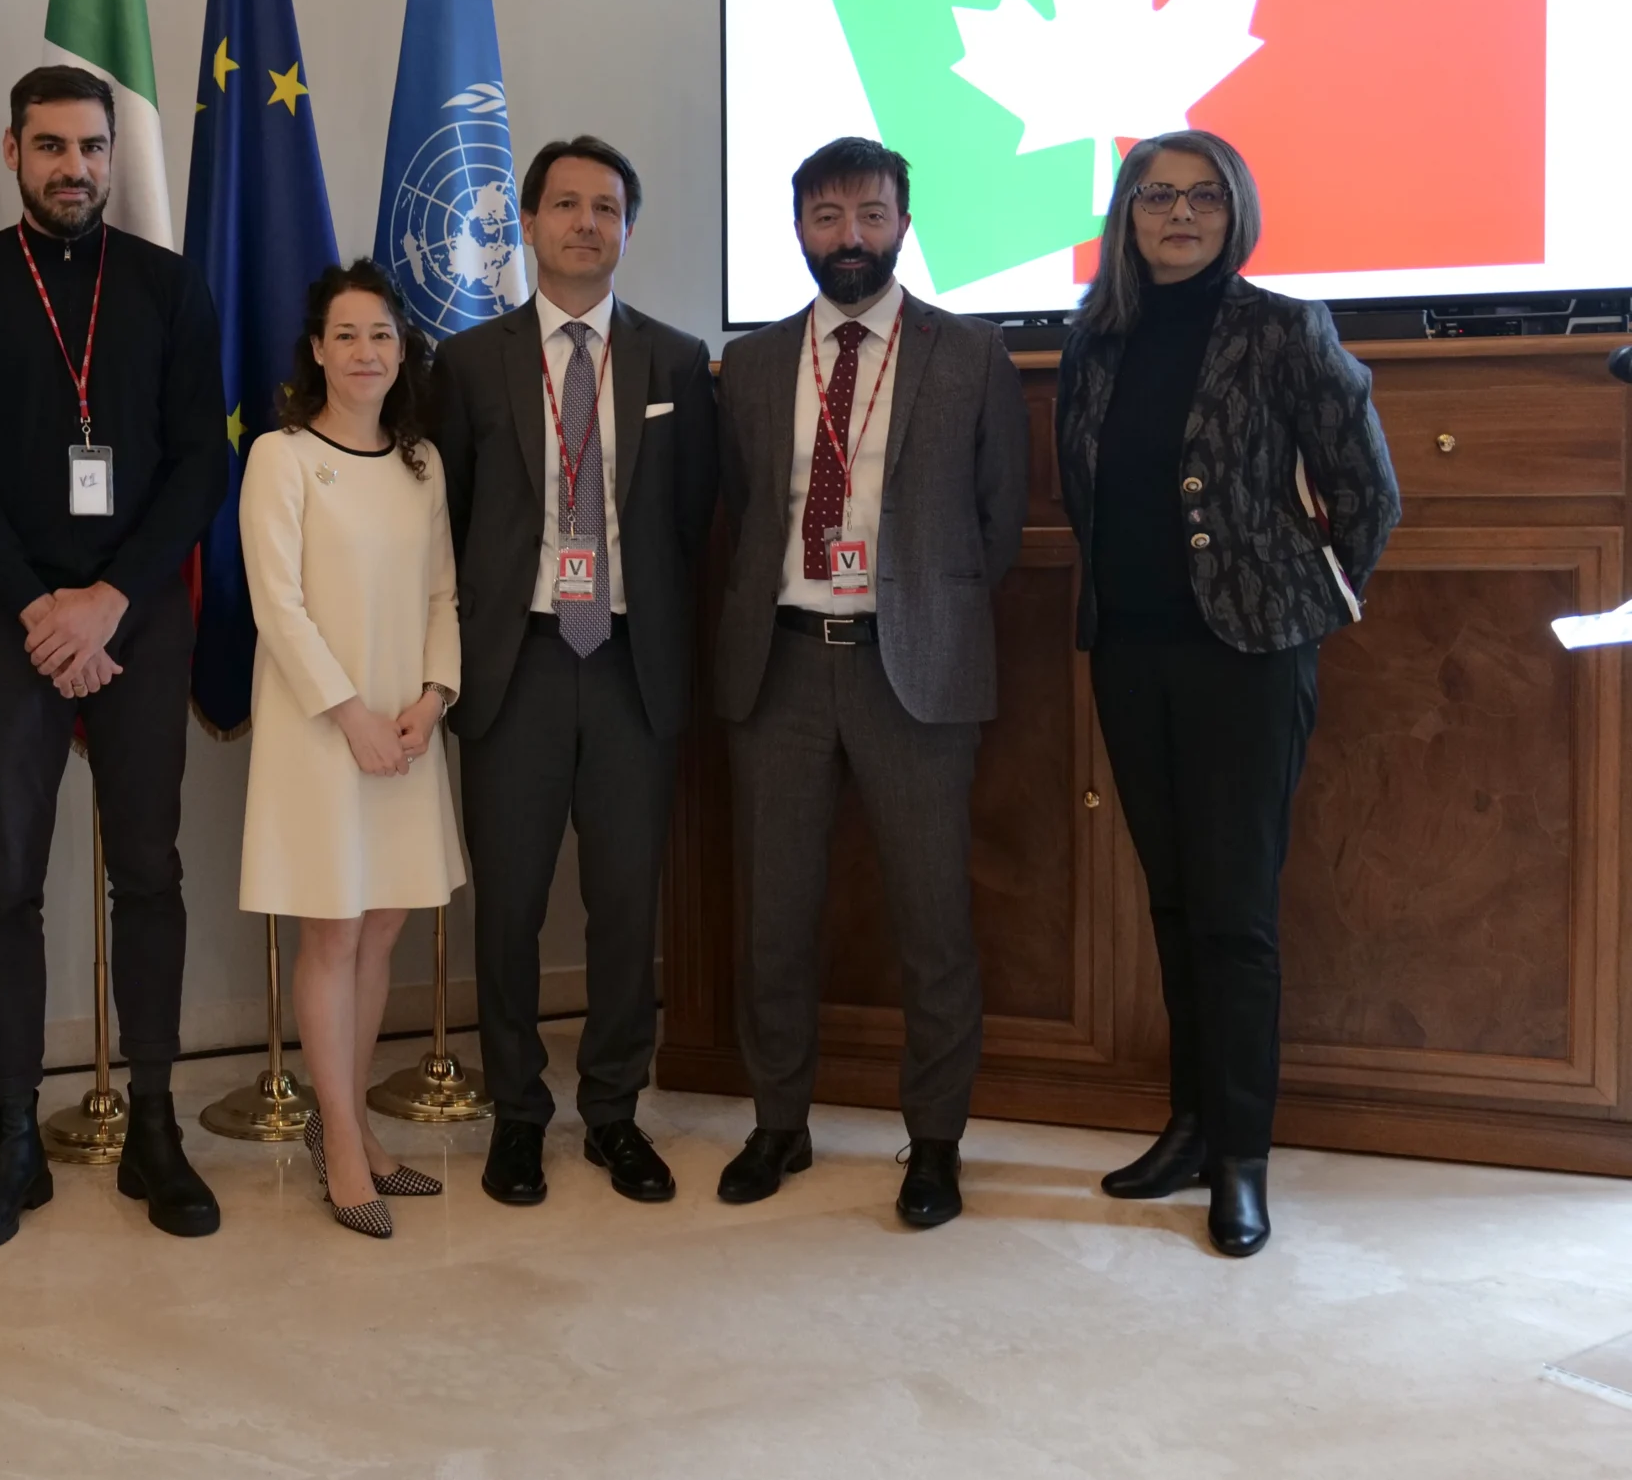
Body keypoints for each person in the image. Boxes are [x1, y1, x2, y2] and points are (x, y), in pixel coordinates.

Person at [1058, 130, 1398, 1257]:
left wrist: (1305, 600)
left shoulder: (1282, 329)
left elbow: (1368, 492)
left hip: (1247, 656)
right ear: (1126, 216)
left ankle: (1241, 1163)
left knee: (1236, 916)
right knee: (1169, 900)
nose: (1180, 213)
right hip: (1129, 650)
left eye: (1203, 196)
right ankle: (1189, 1127)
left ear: (1235, 211)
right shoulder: (1093, 342)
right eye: (1157, 195)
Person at [0, 64, 228, 1252]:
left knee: (149, 870)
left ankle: (154, 1124)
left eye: (91, 147)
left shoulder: (167, 287)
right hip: (10, 617)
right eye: (50, 147)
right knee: (7, 879)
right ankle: (16, 1138)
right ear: (11, 153)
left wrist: (108, 598)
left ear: (112, 154)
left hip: (138, 614)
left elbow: (200, 461)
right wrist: (45, 606)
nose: (74, 167)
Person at [712, 136, 1029, 1230]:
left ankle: (933, 1142)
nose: (848, 238)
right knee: (775, 917)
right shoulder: (750, 366)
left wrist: (916, 611)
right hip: (783, 667)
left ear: (903, 221)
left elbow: (995, 525)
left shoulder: (969, 355)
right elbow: (738, 515)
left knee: (932, 921)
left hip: (916, 671)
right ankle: (777, 1122)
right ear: (798, 228)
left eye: (869, 214)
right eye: (826, 217)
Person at [430, 135, 718, 1208]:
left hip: (633, 667)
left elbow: (691, 519)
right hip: (520, 666)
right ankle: (516, 1115)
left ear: (627, 230)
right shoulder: (466, 364)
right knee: (505, 909)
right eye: (564, 205)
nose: (585, 224)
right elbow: (449, 521)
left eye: (606, 208)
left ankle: (611, 1115)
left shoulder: (677, 362)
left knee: (623, 908)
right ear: (530, 223)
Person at [238, 261, 465, 1240]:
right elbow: (276, 606)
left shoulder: (421, 463)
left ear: (402, 349)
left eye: (381, 335)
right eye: (345, 335)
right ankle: (338, 1141)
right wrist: (354, 715)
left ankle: (358, 1124)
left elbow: (441, 597)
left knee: (382, 928)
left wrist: (431, 700)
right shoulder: (282, 457)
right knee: (332, 931)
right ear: (316, 352)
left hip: (406, 734)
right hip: (322, 731)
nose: (365, 352)